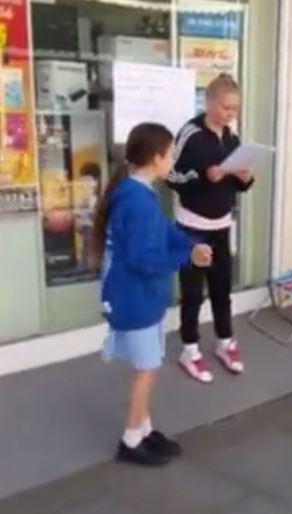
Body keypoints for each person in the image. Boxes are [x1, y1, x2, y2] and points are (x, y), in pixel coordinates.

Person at [91, 123, 212, 466]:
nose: (173, 159)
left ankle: (144, 428)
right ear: (156, 158)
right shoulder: (137, 200)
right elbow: (144, 258)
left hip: (143, 296)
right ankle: (130, 440)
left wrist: (189, 245)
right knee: (146, 368)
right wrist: (185, 256)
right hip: (135, 298)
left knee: (150, 364)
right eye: (171, 154)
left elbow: (162, 233)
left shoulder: (139, 192)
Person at [168, 73, 254, 384]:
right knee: (192, 293)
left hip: (222, 225)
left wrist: (245, 178)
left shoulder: (232, 139)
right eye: (226, 108)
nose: (231, 114)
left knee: (222, 289)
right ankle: (189, 349)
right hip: (192, 227)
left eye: (235, 109)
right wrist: (206, 176)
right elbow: (170, 175)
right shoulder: (190, 134)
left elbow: (241, 184)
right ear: (209, 103)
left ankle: (223, 342)